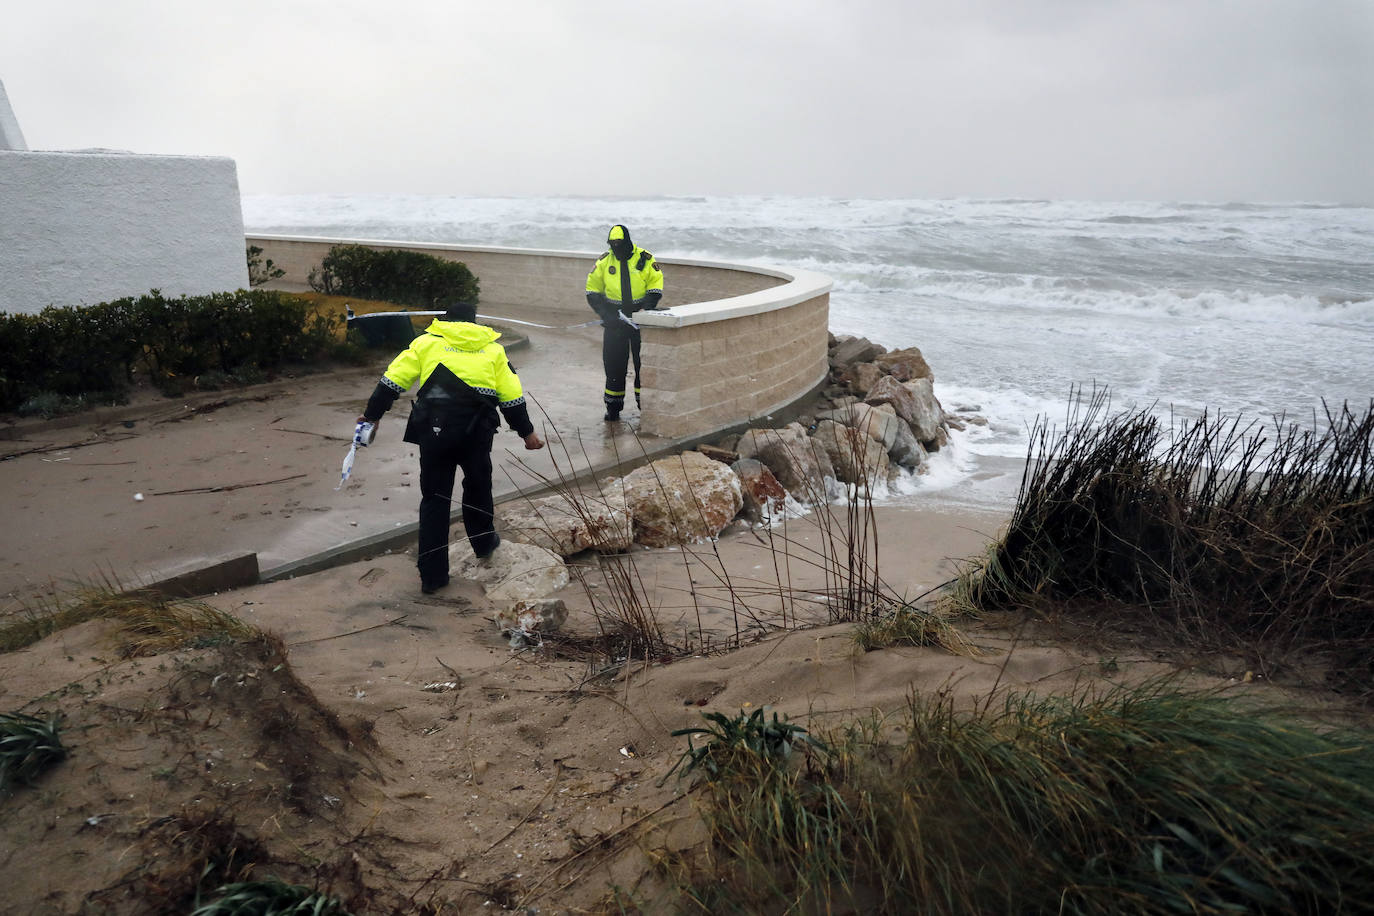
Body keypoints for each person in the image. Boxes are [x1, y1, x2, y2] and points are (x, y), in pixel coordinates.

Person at [357, 302, 544, 594]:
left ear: (445, 321)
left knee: (434, 498)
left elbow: (390, 383)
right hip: (476, 433)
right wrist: (527, 434)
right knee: (478, 487)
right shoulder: (493, 350)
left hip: (435, 431)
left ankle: (433, 577)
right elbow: (512, 398)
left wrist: (371, 417)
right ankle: (483, 543)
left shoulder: (425, 344)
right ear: (474, 322)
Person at [584, 224, 665, 421]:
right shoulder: (604, 261)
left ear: (627, 242)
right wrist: (605, 314)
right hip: (614, 320)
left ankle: (643, 405)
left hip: (639, 320)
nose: (616, 248)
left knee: (642, 365)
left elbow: (655, 284)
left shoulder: (644, 259)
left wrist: (647, 308)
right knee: (613, 365)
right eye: (613, 244)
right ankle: (613, 407)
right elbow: (592, 290)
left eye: (619, 244)